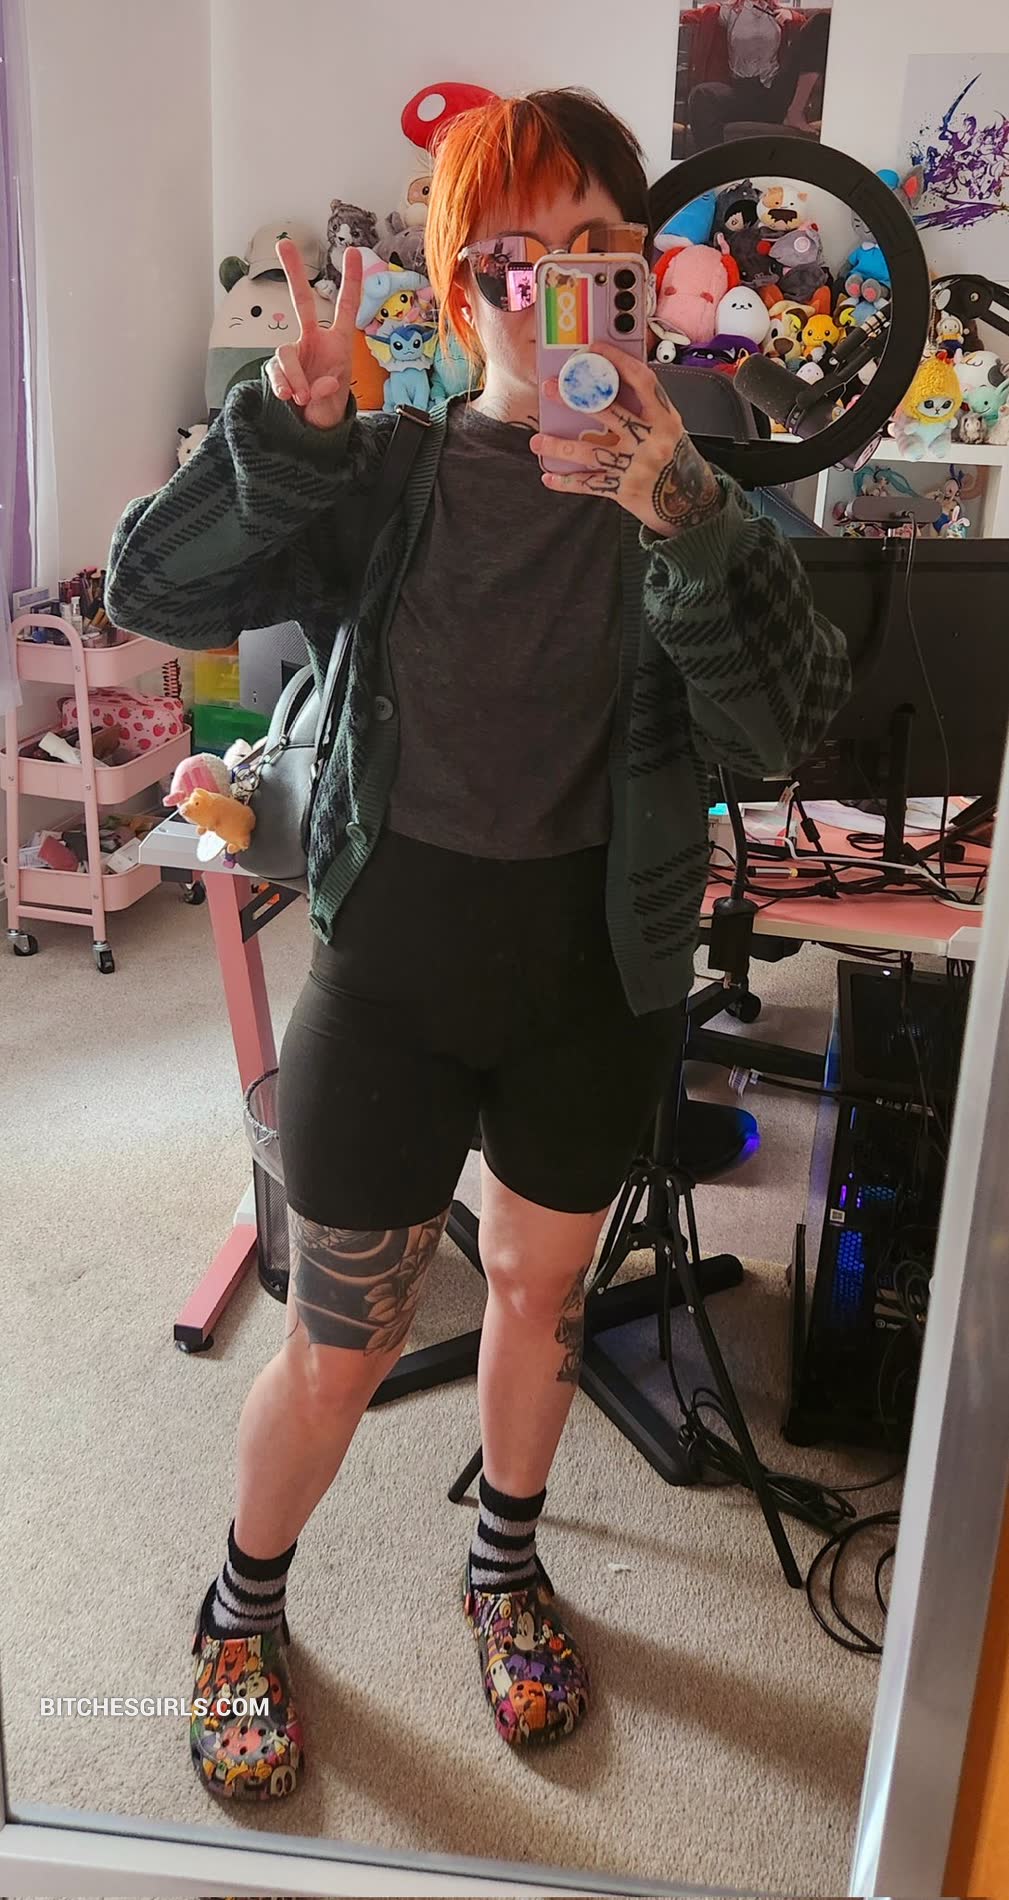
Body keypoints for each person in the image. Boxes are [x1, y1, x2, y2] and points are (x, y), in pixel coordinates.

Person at [105, 86, 850, 1796]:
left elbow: (781, 735)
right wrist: (282, 433)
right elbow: (153, 594)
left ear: (641, 274)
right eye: (513, 260)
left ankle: (504, 1569)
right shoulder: (379, 477)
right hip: (392, 974)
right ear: (457, 299)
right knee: (340, 1339)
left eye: (592, 248)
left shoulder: (697, 492)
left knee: (538, 1291)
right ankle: (240, 1606)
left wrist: (686, 515)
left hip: (594, 980)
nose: (554, 288)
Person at [687, 2, 832, 151]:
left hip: (775, 91)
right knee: (701, 94)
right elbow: (688, 18)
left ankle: (795, 112)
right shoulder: (728, 12)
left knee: (822, 21)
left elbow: (810, 35)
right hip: (741, 93)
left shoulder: (778, 12)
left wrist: (793, 17)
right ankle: (715, 164)